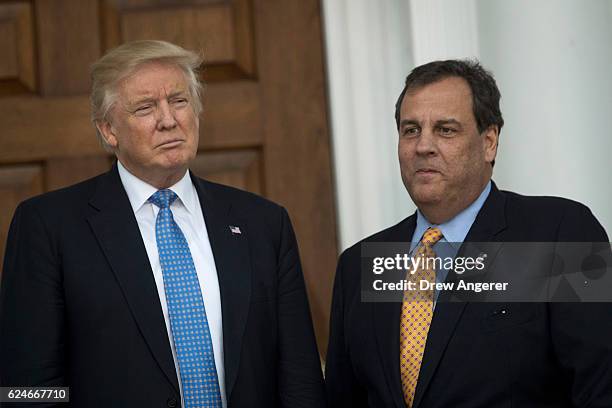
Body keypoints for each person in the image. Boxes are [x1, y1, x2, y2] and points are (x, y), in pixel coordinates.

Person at [0, 40, 325, 408]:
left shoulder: (264, 224)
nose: (169, 119)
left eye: (179, 101)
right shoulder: (48, 226)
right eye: (145, 107)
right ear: (109, 130)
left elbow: (301, 377)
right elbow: (26, 388)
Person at [325, 59, 612, 407]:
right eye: (410, 130)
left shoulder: (557, 233)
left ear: (489, 142)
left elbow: (600, 387)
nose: (422, 146)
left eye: (445, 130)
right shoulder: (360, 264)